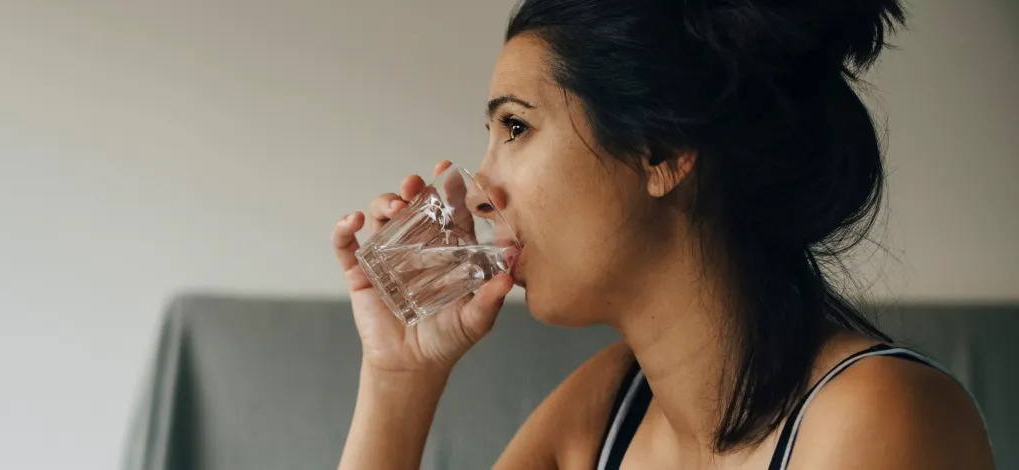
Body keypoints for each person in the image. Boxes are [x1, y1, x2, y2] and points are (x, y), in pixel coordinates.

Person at [329, 0, 995, 469]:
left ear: (662, 150)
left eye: (515, 127)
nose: (479, 188)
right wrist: (399, 377)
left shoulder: (882, 417)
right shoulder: (607, 409)